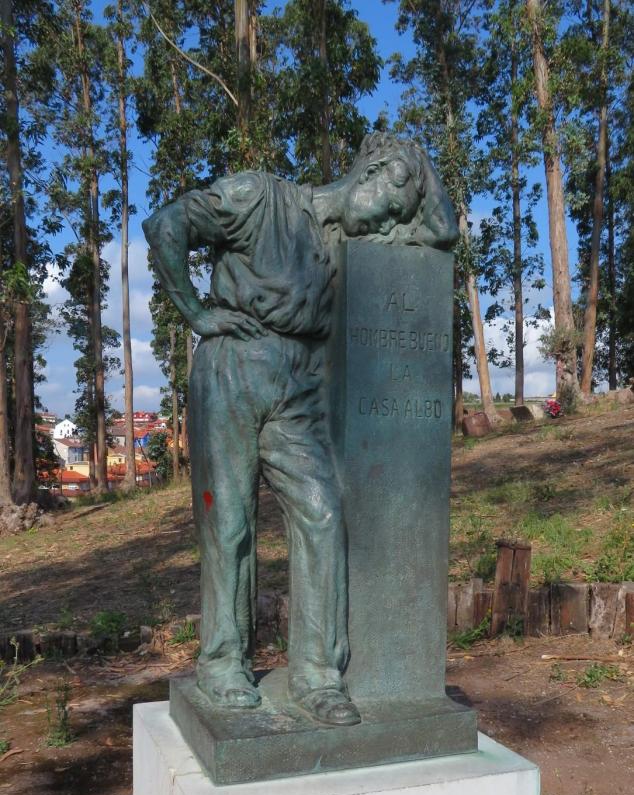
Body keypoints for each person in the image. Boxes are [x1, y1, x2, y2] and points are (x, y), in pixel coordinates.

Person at [143, 133, 458, 726]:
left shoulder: (341, 243)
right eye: (391, 205)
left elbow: (442, 232)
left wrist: (418, 169)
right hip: (236, 367)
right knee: (230, 521)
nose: (389, 223)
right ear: (370, 171)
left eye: (397, 216)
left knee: (322, 512)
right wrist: (196, 313)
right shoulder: (261, 196)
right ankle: (223, 663)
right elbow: (166, 224)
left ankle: (317, 675)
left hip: (300, 386)